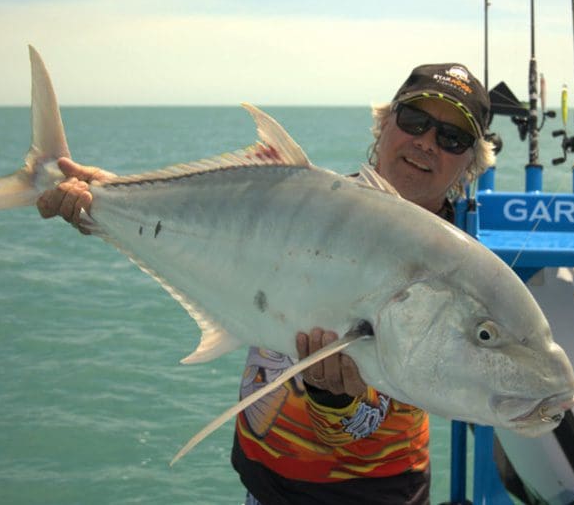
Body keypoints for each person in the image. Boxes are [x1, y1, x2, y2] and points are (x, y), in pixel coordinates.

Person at [36, 63, 494, 505]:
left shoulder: (456, 273)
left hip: (374, 493)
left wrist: (335, 398)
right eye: (415, 120)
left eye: (452, 137)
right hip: (264, 487)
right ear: (385, 122)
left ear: (471, 162)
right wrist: (106, 201)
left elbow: (386, 406)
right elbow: (218, 234)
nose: (427, 142)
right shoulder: (311, 202)